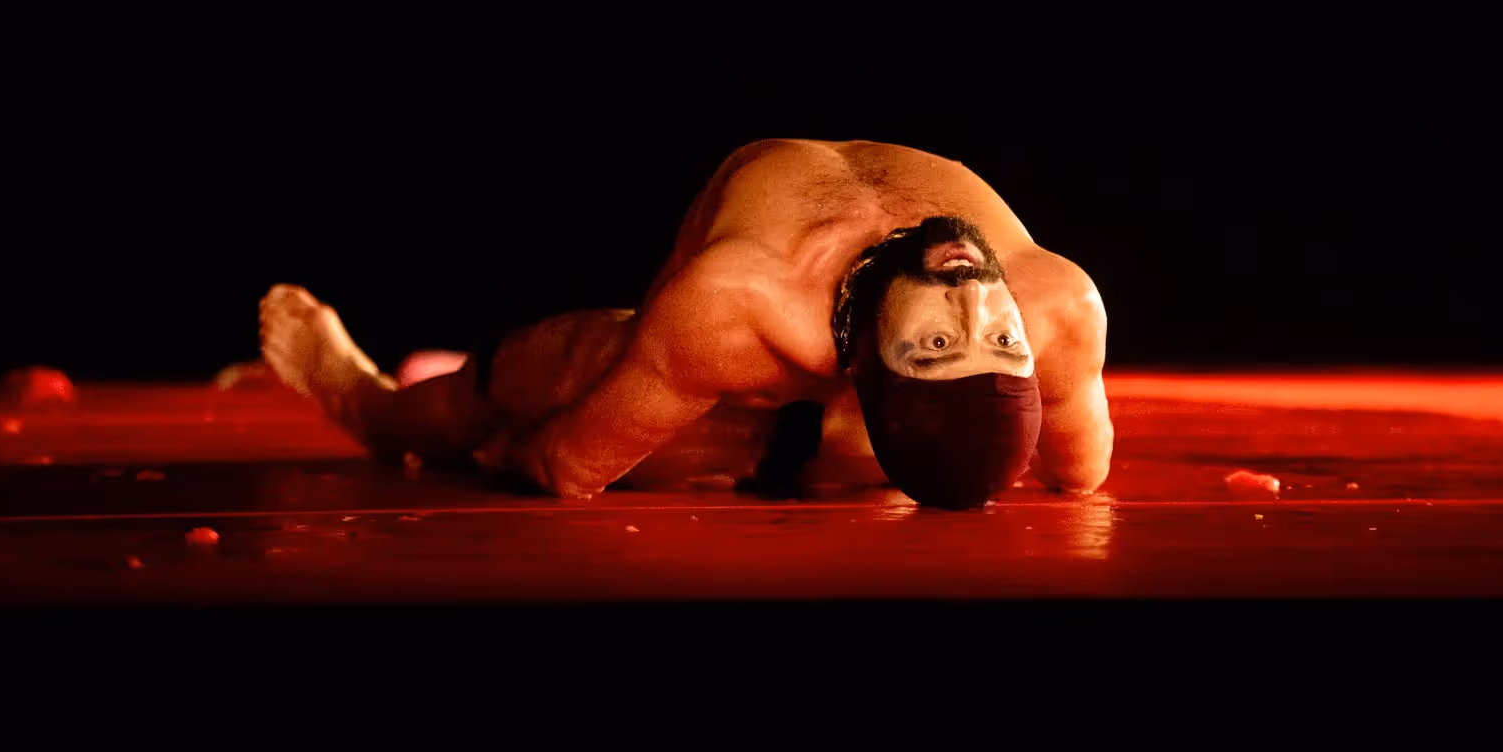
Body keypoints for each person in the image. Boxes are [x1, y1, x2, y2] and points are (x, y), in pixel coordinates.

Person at [259, 139, 1111, 508]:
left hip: (773, 415)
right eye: (999, 340)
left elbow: (567, 465)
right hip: (829, 424)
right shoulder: (1055, 305)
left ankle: (371, 405)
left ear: (870, 369)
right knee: (613, 366)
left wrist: (499, 446)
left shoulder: (741, 306)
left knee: (547, 371)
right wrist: (992, 430)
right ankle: (809, 456)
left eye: (934, 346)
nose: (973, 301)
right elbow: (1081, 472)